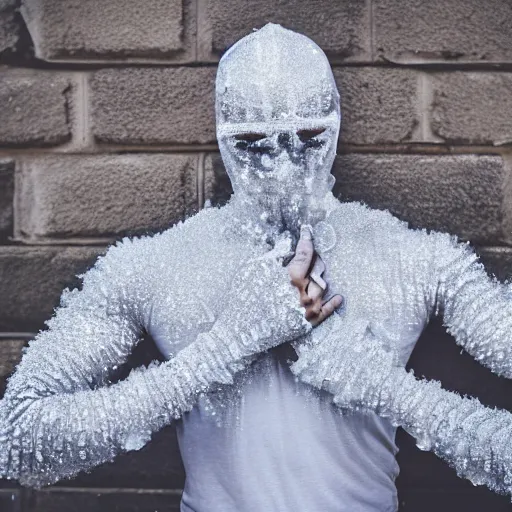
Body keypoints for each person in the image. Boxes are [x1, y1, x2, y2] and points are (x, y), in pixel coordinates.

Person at [1, 22, 512, 512]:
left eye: (308, 139)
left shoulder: (414, 260)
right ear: (224, 139)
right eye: (254, 145)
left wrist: (382, 387)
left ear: (335, 127)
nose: (285, 169)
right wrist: (223, 349)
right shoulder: (154, 267)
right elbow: (21, 438)